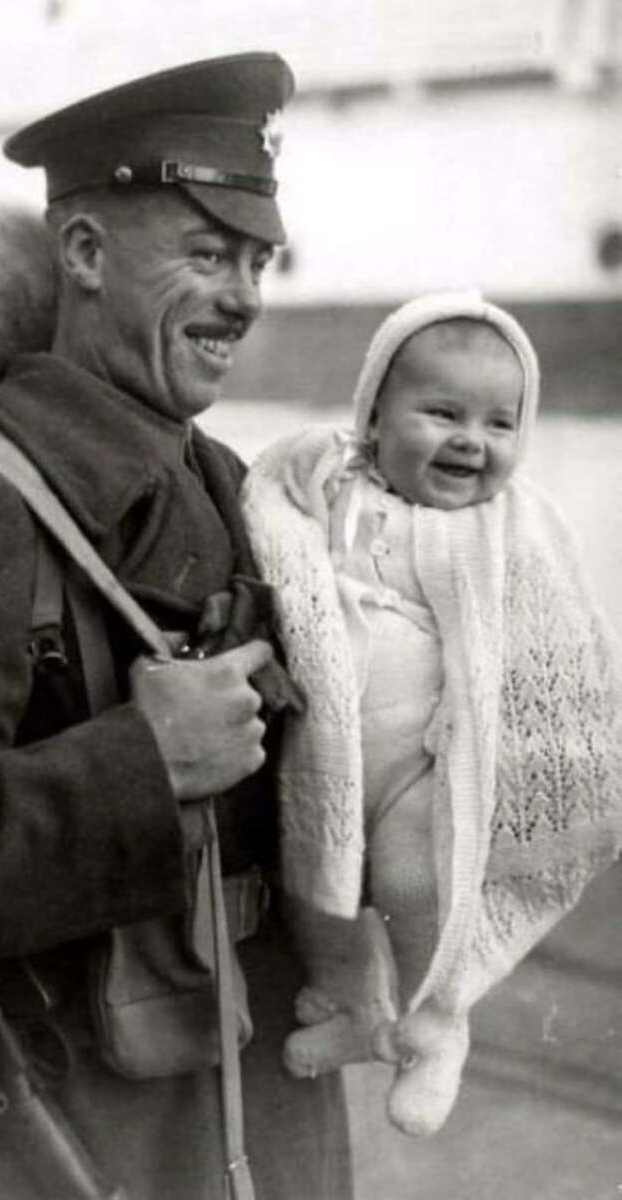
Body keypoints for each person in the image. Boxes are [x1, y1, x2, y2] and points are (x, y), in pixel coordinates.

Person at [0, 53, 353, 1200]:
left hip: (256, 1085)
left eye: (255, 260)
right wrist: (144, 765)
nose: (243, 295)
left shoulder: (230, 484)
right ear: (83, 255)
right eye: (204, 253)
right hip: (83, 1126)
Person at [242, 291, 622, 1138]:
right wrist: (299, 472)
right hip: (327, 757)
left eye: (498, 424)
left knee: (414, 881)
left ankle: (438, 1023)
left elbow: (550, 644)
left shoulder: (508, 529)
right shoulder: (333, 486)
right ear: (373, 417)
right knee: (318, 894)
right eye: (441, 412)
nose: (469, 441)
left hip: (426, 763)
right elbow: (272, 498)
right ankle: (351, 1005)